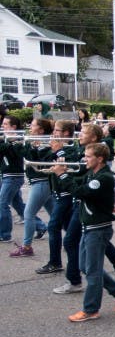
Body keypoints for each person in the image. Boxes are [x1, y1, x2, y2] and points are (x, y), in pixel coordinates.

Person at [52, 142, 115, 322]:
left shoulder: (104, 178)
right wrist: (62, 173)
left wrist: (63, 175)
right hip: (88, 228)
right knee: (84, 267)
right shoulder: (91, 174)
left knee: (93, 272)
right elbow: (73, 184)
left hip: (98, 229)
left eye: (88, 157)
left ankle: (91, 310)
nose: (84, 159)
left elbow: (80, 192)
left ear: (100, 159)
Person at [36, 120, 78, 274]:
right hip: (57, 193)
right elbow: (44, 160)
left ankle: (55, 262)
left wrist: (59, 151)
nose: (53, 132)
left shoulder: (73, 148)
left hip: (67, 193)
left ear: (66, 133)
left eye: (57, 130)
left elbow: (73, 163)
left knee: (53, 226)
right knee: (69, 228)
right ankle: (84, 253)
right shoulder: (55, 146)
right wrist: (37, 147)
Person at [9, 117, 54, 257]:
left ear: (41, 130)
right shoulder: (34, 140)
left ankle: (27, 247)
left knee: (28, 214)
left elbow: (33, 159)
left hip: (41, 181)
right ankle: (74, 238)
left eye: (33, 125)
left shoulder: (44, 142)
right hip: (40, 182)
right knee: (56, 216)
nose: (30, 127)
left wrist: (24, 146)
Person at [0, 115, 33, 244]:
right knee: (18, 204)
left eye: (5, 124)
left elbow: (16, 153)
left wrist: (10, 142)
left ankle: (5, 234)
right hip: (7, 174)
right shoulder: (6, 139)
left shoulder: (17, 140)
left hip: (13, 175)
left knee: (2, 204)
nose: (3, 126)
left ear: (13, 127)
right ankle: (41, 227)